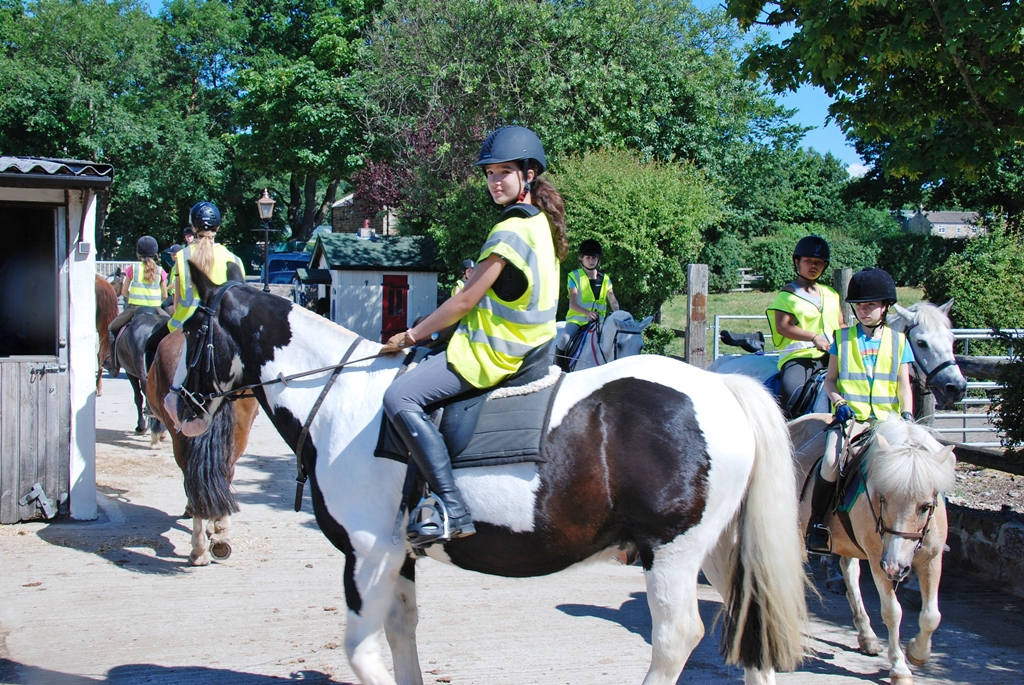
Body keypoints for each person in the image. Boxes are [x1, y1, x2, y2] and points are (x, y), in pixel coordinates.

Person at [380, 126, 566, 547]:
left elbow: (464, 302)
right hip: (530, 348)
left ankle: (450, 504)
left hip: (491, 356)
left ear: (529, 174)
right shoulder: (540, 227)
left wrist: (410, 335)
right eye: (489, 173)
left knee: (399, 398)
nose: (494, 181)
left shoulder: (510, 232)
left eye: (504, 172)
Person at [805, 267, 915, 554]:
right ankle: (817, 524)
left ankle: (928, 531)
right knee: (830, 461)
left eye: (871, 306)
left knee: (921, 464)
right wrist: (839, 402)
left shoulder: (899, 342)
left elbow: (904, 386)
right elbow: (830, 380)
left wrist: (908, 415)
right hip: (852, 421)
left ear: (886, 307)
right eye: (859, 306)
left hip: (888, 422)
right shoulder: (841, 339)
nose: (864, 311)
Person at [766, 235, 845, 418]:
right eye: (808, 261)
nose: (813, 266)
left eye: (818, 262)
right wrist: (813, 337)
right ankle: (784, 425)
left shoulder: (832, 294)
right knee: (791, 390)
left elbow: (840, 323)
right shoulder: (787, 296)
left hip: (832, 355)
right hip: (801, 357)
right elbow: (782, 327)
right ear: (797, 262)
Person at [167, 202, 245, 333]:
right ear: (218, 228)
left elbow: (177, 301)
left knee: (152, 344)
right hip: (222, 329)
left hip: (185, 325)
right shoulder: (235, 260)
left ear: (193, 228)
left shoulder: (182, 256)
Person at [553, 239, 619, 371]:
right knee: (563, 341)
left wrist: (618, 314)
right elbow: (573, 304)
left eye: (594, 258)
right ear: (581, 258)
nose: (591, 261)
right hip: (577, 321)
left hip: (599, 323)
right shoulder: (574, 276)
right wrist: (587, 313)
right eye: (588, 257)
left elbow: (613, 300)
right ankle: (558, 372)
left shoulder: (605, 278)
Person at [108, 236, 168, 339]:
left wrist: (133, 297)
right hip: (156, 309)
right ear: (155, 253)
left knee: (112, 328)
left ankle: (113, 355)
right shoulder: (160, 270)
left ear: (139, 253)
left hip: (135, 308)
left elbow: (124, 292)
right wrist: (156, 302)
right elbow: (165, 295)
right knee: (174, 328)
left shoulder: (133, 268)